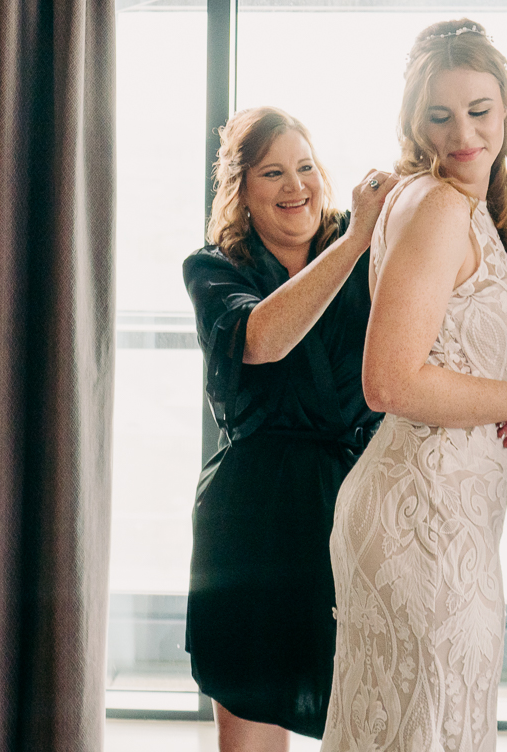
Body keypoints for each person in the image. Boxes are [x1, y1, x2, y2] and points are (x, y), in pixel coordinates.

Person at [320, 19, 507, 752]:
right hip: (421, 525)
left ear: (506, 112)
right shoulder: (439, 205)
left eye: (479, 111)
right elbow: (389, 381)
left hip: (443, 518)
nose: (463, 132)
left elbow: (449, 364)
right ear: (414, 123)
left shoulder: (460, 205)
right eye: (440, 115)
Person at [183, 107, 400, 749]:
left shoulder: (371, 245)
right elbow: (263, 339)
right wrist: (353, 241)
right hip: (253, 522)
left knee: (371, 713)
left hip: (360, 505)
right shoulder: (213, 267)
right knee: (254, 711)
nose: (294, 185)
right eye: (272, 172)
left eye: (305, 167)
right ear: (241, 192)